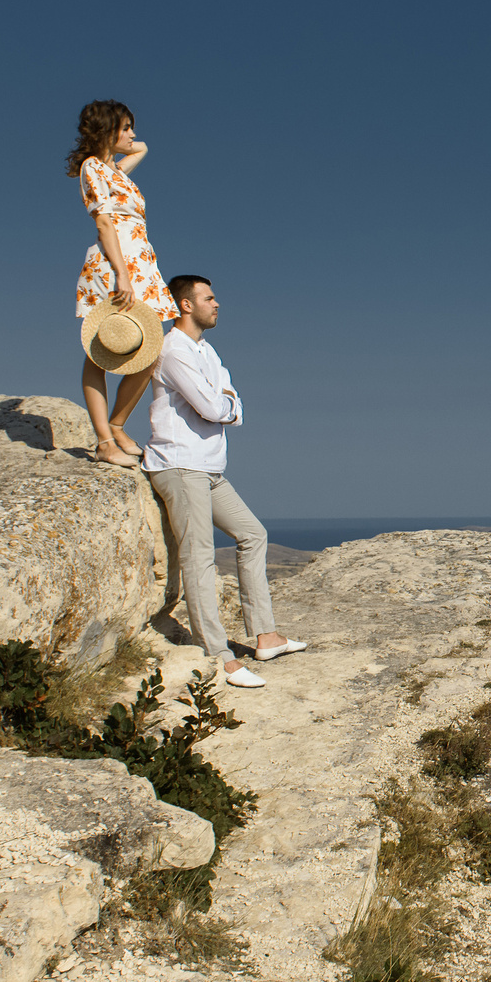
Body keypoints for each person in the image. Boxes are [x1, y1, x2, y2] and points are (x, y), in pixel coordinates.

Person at [145, 274, 307, 687]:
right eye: (209, 298)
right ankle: (218, 655)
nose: (217, 305)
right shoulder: (173, 350)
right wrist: (225, 404)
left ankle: (266, 636)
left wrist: (225, 404)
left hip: (210, 469)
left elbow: (231, 402)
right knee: (198, 556)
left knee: (253, 534)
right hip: (181, 467)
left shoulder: (207, 350)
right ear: (185, 304)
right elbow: (210, 406)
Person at [68, 99, 176, 469]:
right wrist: (122, 273)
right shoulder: (92, 168)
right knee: (100, 350)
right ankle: (103, 440)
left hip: (140, 264)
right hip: (116, 266)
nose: (133, 135)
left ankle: (116, 425)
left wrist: (129, 146)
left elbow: (142, 149)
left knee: (148, 350)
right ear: (107, 130)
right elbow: (103, 223)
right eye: (126, 127)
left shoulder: (114, 171)